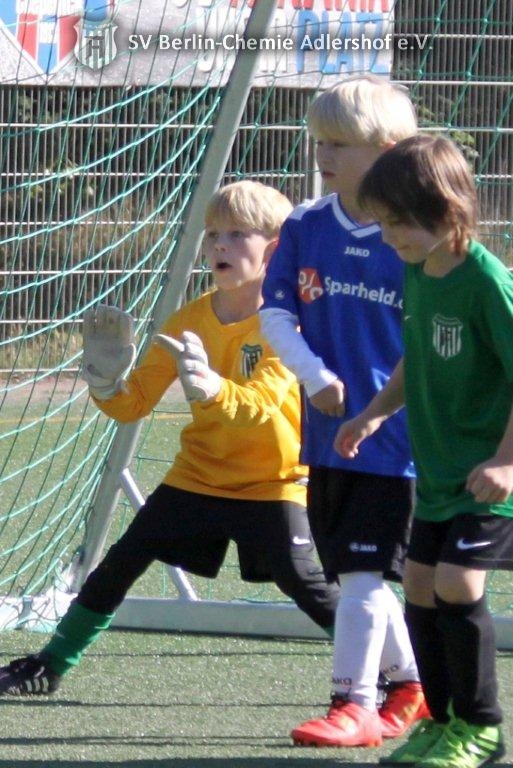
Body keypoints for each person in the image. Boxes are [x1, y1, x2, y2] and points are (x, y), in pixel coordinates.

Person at [0, 180, 340, 697]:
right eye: (213, 233)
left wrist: (214, 388)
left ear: (274, 249)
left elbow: (259, 409)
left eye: (237, 234)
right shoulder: (189, 319)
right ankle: (50, 664)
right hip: (198, 476)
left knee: (306, 583)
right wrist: (105, 382)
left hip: (272, 482)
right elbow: (132, 404)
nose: (219, 244)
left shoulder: (286, 323)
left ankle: (388, 672)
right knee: (120, 562)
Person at [259, 75, 428, 749]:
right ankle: (410, 686)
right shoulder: (305, 225)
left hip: (397, 440)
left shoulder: (414, 236)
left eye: (338, 143)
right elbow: (275, 314)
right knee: (358, 573)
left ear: (386, 151)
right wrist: (314, 376)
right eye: (318, 141)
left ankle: (353, 704)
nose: (321, 154)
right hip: (328, 434)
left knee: (363, 571)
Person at [335, 133, 512, 767]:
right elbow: (417, 357)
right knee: (417, 583)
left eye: (398, 223)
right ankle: (442, 720)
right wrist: (373, 414)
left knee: (456, 583)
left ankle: (482, 729)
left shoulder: (486, 282)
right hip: (438, 470)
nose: (389, 237)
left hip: (487, 473)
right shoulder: (417, 270)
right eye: (382, 224)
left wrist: (506, 461)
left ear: (447, 209)